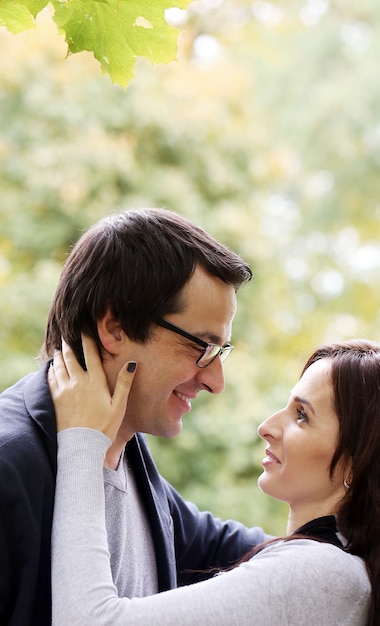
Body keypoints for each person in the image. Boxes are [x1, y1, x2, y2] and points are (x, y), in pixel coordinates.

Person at [0, 208, 267, 626]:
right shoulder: (9, 465)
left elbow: (235, 549)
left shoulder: (128, 451)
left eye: (221, 351)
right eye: (202, 346)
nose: (217, 381)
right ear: (115, 327)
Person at [49, 335, 380, 625]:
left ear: (355, 462)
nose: (266, 426)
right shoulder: (336, 572)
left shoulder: (321, 574)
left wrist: (83, 439)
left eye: (302, 416)